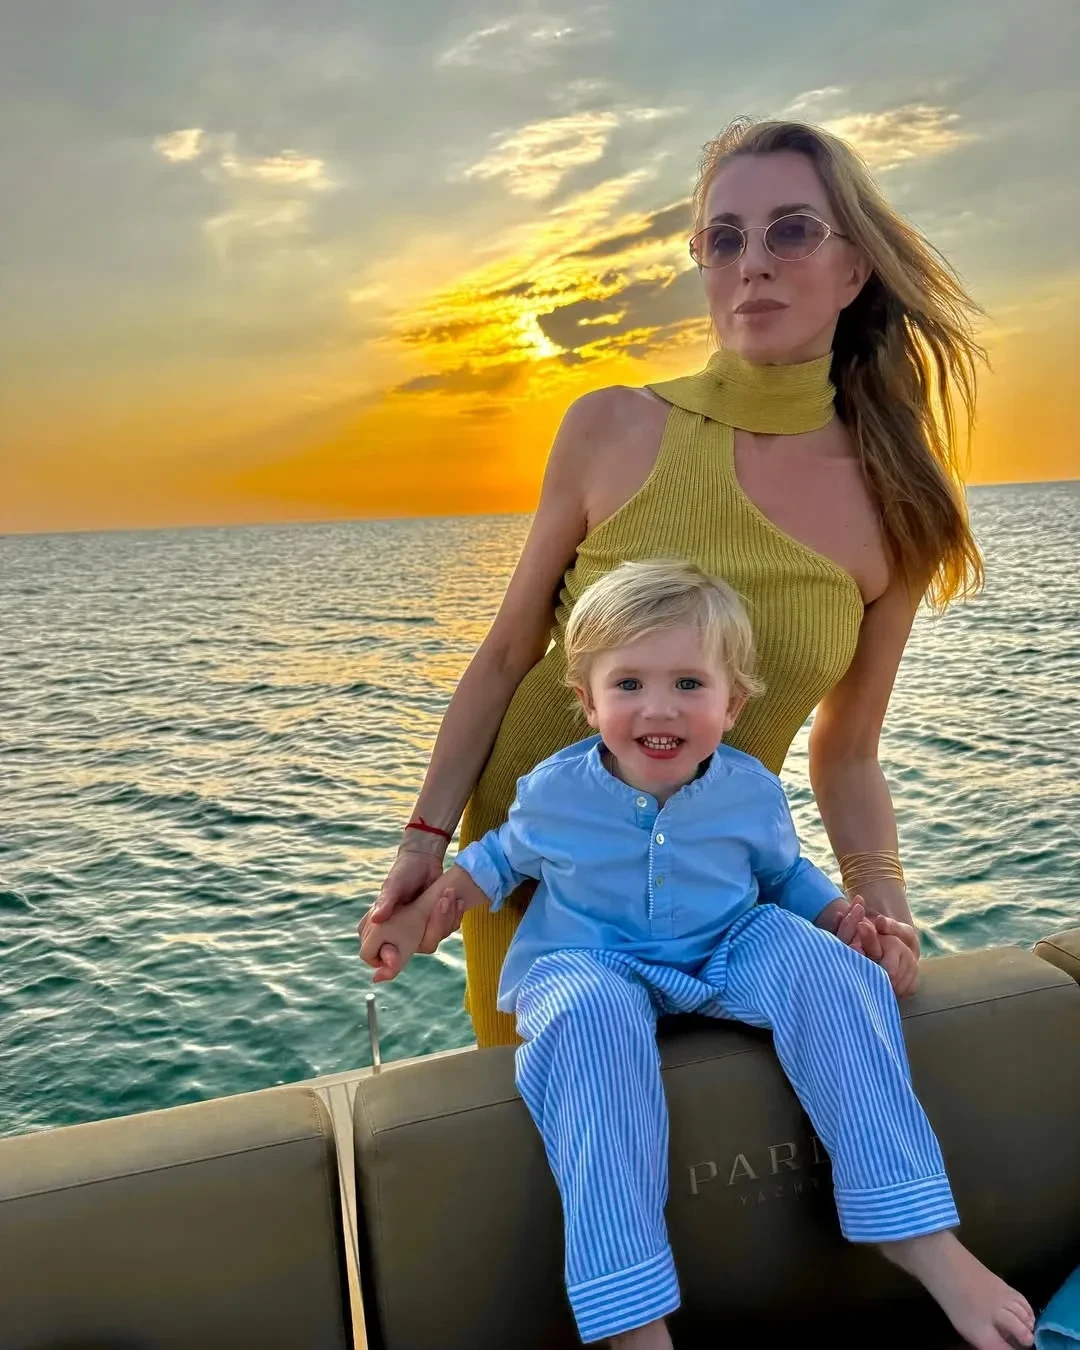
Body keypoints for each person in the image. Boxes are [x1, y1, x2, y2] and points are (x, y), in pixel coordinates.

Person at [363, 114, 986, 1051]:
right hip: (538, 874)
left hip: (709, 892)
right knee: (579, 1108)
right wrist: (425, 842)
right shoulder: (610, 428)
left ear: (855, 269)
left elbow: (848, 751)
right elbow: (506, 654)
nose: (753, 263)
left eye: (790, 231)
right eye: (723, 239)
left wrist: (881, 903)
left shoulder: (899, 500)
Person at [360, 560, 1033, 1350]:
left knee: (826, 969)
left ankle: (912, 1228)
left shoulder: (750, 790)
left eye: (688, 684)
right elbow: (494, 863)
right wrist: (425, 913)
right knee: (587, 1021)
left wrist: (845, 923)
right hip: (591, 959)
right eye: (629, 684)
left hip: (726, 944)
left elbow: (785, 876)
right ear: (588, 701)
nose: (659, 707)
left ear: (732, 703)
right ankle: (632, 1315)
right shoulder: (555, 791)